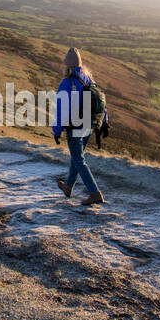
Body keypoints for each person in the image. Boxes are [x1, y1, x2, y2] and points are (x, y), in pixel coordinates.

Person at [52, 47, 109, 206]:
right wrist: (105, 121)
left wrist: (56, 130)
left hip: (75, 127)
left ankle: (95, 193)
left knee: (78, 159)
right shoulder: (88, 78)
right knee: (76, 157)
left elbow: (62, 109)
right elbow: (101, 101)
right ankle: (68, 187)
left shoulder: (66, 83)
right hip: (89, 126)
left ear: (66, 66)